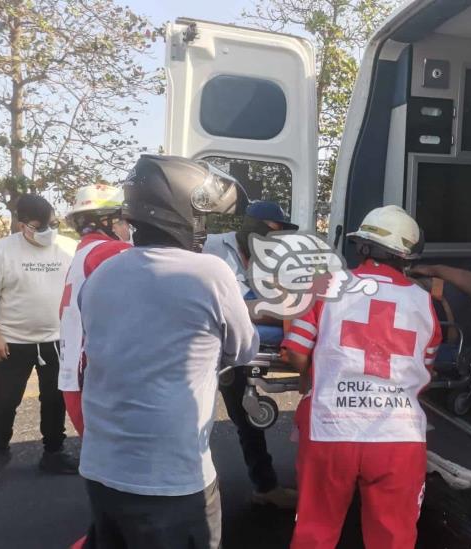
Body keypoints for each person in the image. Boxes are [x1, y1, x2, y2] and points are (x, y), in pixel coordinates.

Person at [78, 155, 259, 549]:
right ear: (180, 212)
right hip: (171, 479)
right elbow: (244, 349)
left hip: (100, 469)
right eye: (202, 216)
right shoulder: (210, 272)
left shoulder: (102, 274)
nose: (205, 228)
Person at [282, 205, 442, 549]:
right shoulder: (423, 301)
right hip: (397, 434)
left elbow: (295, 354)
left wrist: (317, 373)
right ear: (407, 255)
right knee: (393, 537)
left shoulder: (326, 286)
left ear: (362, 246)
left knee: (315, 530)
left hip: (330, 430)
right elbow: (425, 373)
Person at [0, 194, 79, 490]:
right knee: (4, 401)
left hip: (57, 340)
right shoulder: (2, 251)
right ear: (22, 226)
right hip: (12, 341)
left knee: (56, 399)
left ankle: (54, 453)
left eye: (53, 223)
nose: (49, 230)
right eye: (39, 226)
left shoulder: (68, 249)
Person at [203, 200, 299, 508]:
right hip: (204, 345)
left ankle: (265, 486)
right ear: (253, 228)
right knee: (192, 417)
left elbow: (281, 303)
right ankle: (179, 491)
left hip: (238, 343)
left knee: (244, 419)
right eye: (274, 231)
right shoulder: (211, 248)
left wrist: (260, 310)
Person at [59, 184, 132, 435]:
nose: (127, 228)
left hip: (73, 374)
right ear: (106, 221)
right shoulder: (113, 251)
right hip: (99, 377)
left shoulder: (83, 252)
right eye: (123, 221)